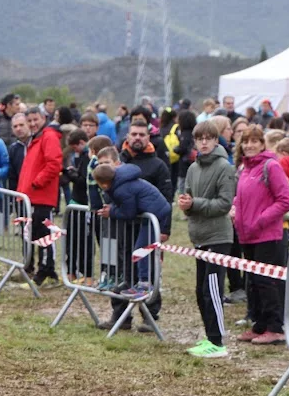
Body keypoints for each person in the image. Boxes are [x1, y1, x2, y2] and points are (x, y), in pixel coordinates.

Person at [178, 122, 238, 358]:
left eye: (208, 138)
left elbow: (225, 203)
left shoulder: (224, 167)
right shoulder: (193, 168)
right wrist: (186, 204)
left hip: (218, 236)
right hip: (199, 236)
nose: (204, 142)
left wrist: (195, 204)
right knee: (200, 290)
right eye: (200, 138)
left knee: (212, 289)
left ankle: (218, 342)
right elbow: (190, 196)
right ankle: (209, 336)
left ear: (216, 141)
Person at [232, 126, 289, 346]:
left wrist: (261, 220)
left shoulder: (271, 166)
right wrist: (235, 211)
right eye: (245, 141)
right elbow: (241, 197)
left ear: (262, 144)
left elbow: (284, 200)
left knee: (267, 282)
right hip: (247, 235)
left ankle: (275, 327)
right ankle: (259, 325)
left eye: (254, 141)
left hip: (267, 234)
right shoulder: (244, 169)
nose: (249, 145)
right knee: (254, 283)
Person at [93, 160, 171, 302]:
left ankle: (145, 284)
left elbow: (128, 212)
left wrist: (111, 212)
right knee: (139, 249)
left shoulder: (122, 189)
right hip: (152, 213)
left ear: (104, 184)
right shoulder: (121, 181)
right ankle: (140, 282)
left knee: (141, 249)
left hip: (157, 214)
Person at [18, 107, 63, 283]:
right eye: (29, 121)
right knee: (36, 235)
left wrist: (37, 183)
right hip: (31, 196)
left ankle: (47, 269)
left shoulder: (48, 137)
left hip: (41, 196)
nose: (32, 123)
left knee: (44, 236)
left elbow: (54, 164)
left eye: (35, 119)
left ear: (44, 118)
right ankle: (42, 269)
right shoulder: (35, 139)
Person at [6, 106, 29, 191]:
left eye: (21, 125)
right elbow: (12, 176)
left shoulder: (37, 144)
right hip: (20, 194)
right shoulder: (13, 149)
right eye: (15, 126)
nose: (18, 129)